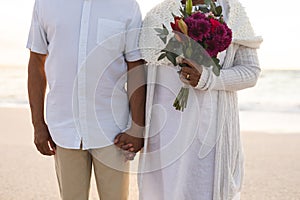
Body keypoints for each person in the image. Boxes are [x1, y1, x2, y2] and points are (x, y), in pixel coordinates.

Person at [138, 0, 263, 199]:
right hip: (166, 135)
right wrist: (135, 127)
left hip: (211, 134)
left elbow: (251, 72)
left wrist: (207, 78)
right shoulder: (156, 16)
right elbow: (142, 78)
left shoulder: (232, 12)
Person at [27, 0, 145, 199]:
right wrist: (38, 124)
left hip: (113, 130)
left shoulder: (126, 5)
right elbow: (36, 62)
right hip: (64, 128)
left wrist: (137, 127)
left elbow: (136, 67)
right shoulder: (45, 3)